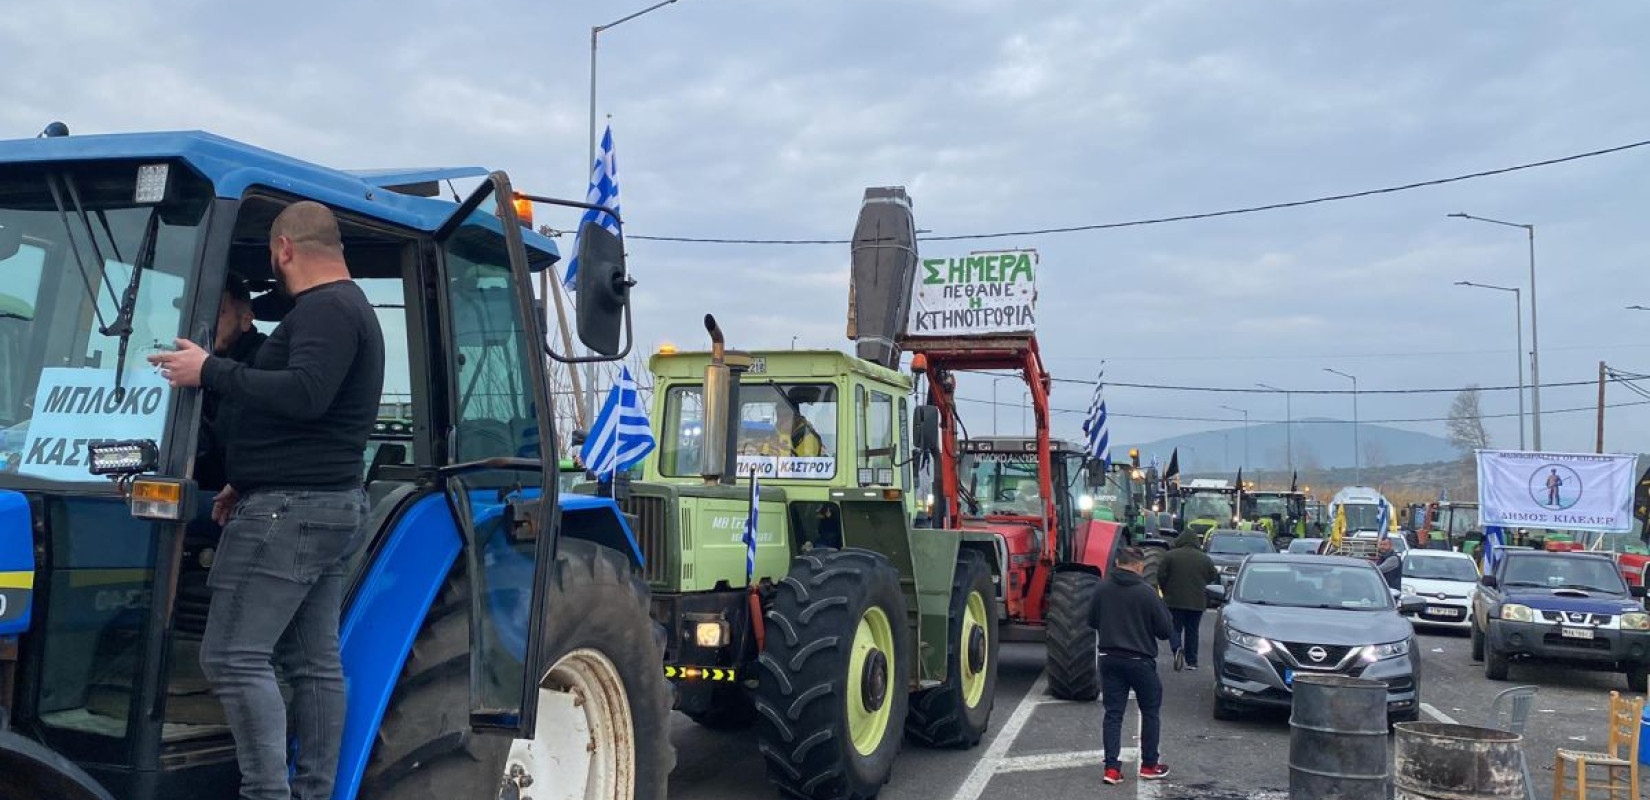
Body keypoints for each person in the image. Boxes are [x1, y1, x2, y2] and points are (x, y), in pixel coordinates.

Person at [149, 201, 384, 800]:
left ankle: (267, 795)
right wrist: (242, 480)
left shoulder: (326, 309)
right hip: (314, 503)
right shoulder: (344, 310)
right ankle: (312, 792)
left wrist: (209, 371)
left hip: (291, 512)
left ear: (283, 248)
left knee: (231, 657)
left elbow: (305, 394)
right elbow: (313, 418)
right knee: (313, 664)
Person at [1089, 547, 1173, 785]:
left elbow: (1091, 621)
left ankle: (1112, 769)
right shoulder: (1146, 593)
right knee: (1150, 711)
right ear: (1138, 566)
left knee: (1113, 714)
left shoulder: (1102, 588)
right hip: (1139, 660)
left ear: (1117, 562)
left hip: (1109, 658)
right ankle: (1148, 764)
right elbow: (1165, 631)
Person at [195, 275, 268, 491]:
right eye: (199, 312)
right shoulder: (184, 358)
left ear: (246, 320)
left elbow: (228, 434)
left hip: (237, 491)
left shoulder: (264, 361)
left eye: (219, 313)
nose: (206, 322)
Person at [1157, 530, 1219, 671]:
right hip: (1197, 601)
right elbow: (1212, 575)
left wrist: (1165, 589)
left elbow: (1161, 575)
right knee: (1192, 630)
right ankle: (1192, 661)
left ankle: (1176, 648)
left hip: (1174, 599)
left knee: (1175, 628)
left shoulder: (1170, 556)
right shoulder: (1204, 558)